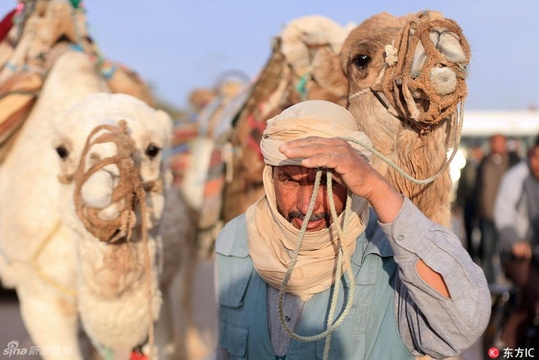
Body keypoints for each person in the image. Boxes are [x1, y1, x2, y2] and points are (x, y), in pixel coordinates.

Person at [213, 100, 490, 359]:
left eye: (327, 182)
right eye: (290, 180)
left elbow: (463, 325)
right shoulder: (236, 241)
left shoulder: (389, 253)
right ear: (270, 177)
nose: (307, 204)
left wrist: (375, 187)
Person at [493, 134, 539, 347]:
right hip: (516, 255)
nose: (537, 163)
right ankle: (506, 343)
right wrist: (515, 242)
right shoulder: (516, 177)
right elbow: (503, 212)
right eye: (536, 156)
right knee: (533, 289)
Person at [475, 134, 520, 283]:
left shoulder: (513, 162)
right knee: (488, 250)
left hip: (507, 217)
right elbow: (479, 187)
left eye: (501, 143)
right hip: (487, 215)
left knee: (506, 251)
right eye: (495, 143)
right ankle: (488, 282)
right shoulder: (485, 162)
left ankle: (508, 280)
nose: (498, 146)